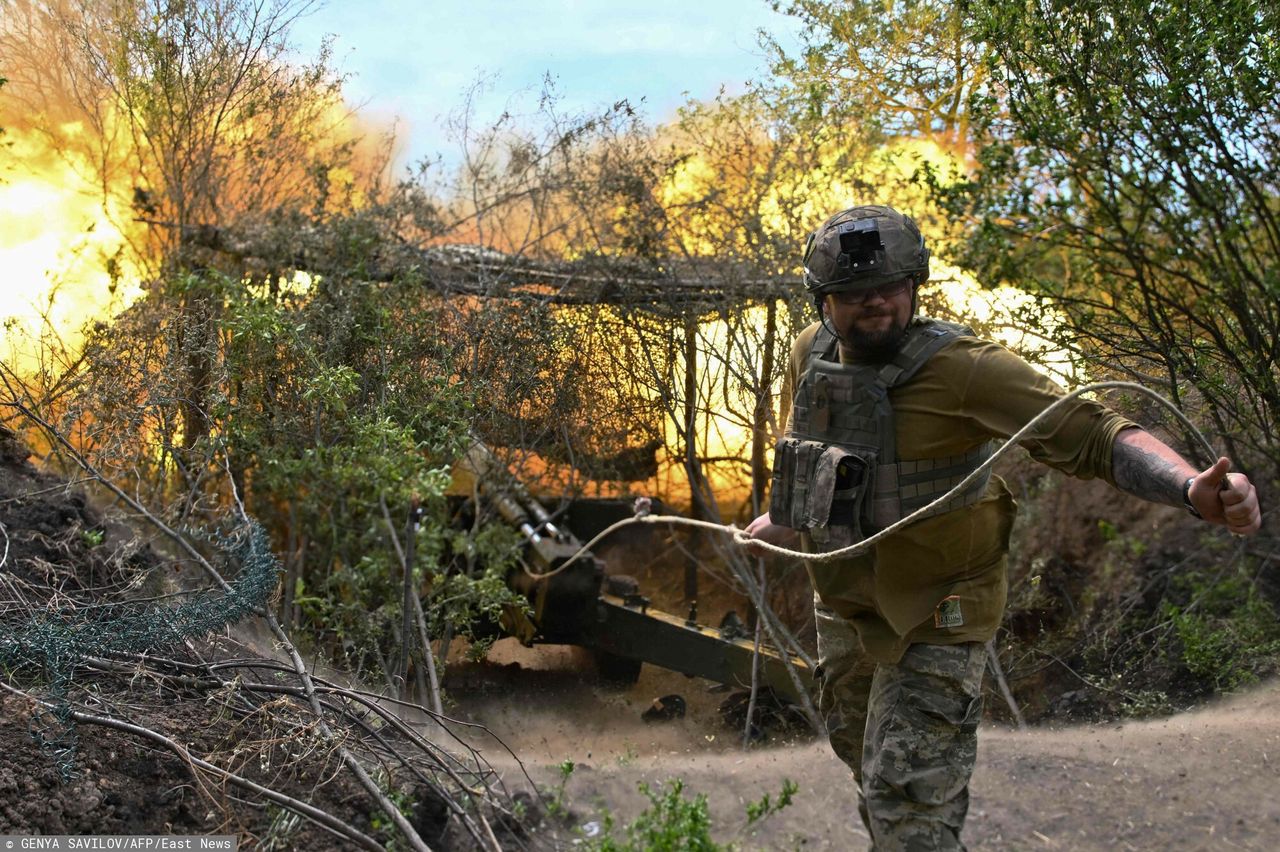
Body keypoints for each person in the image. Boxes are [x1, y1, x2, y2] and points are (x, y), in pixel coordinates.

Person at [745, 204, 1262, 851]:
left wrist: (1190, 489)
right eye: (853, 293)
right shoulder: (807, 357)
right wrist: (788, 517)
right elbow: (812, 454)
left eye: (889, 287)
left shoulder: (966, 368)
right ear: (823, 299)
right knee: (868, 763)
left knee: (906, 799)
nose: (874, 303)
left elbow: (1093, 434)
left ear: (915, 285)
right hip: (846, 605)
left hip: (940, 609)